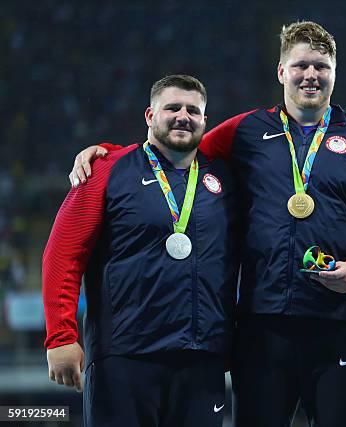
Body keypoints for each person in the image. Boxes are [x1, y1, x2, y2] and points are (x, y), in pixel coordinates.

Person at [67, 21, 346, 427]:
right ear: (281, 71)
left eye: (321, 66)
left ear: (335, 72)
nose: (311, 75)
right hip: (261, 328)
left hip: (340, 322)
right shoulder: (245, 131)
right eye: (300, 65)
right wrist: (112, 155)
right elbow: (175, 150)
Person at [43, 74, 238, 427]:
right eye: (172, 107)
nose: (183, 116)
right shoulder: (105, 169)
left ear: (205, 122)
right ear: (150, 116)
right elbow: (62, 254)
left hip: (201, 357)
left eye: (193, 110)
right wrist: (60, 337)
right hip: (124, 356)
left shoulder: (225, 179)